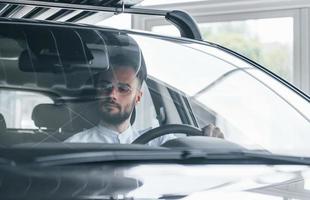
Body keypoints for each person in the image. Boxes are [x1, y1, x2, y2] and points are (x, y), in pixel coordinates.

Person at [65, 54, 176, 146]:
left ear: (137, 98)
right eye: (105, 86)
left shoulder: (159, 141)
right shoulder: (75, 145)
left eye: (123, 89)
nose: (112, 95)